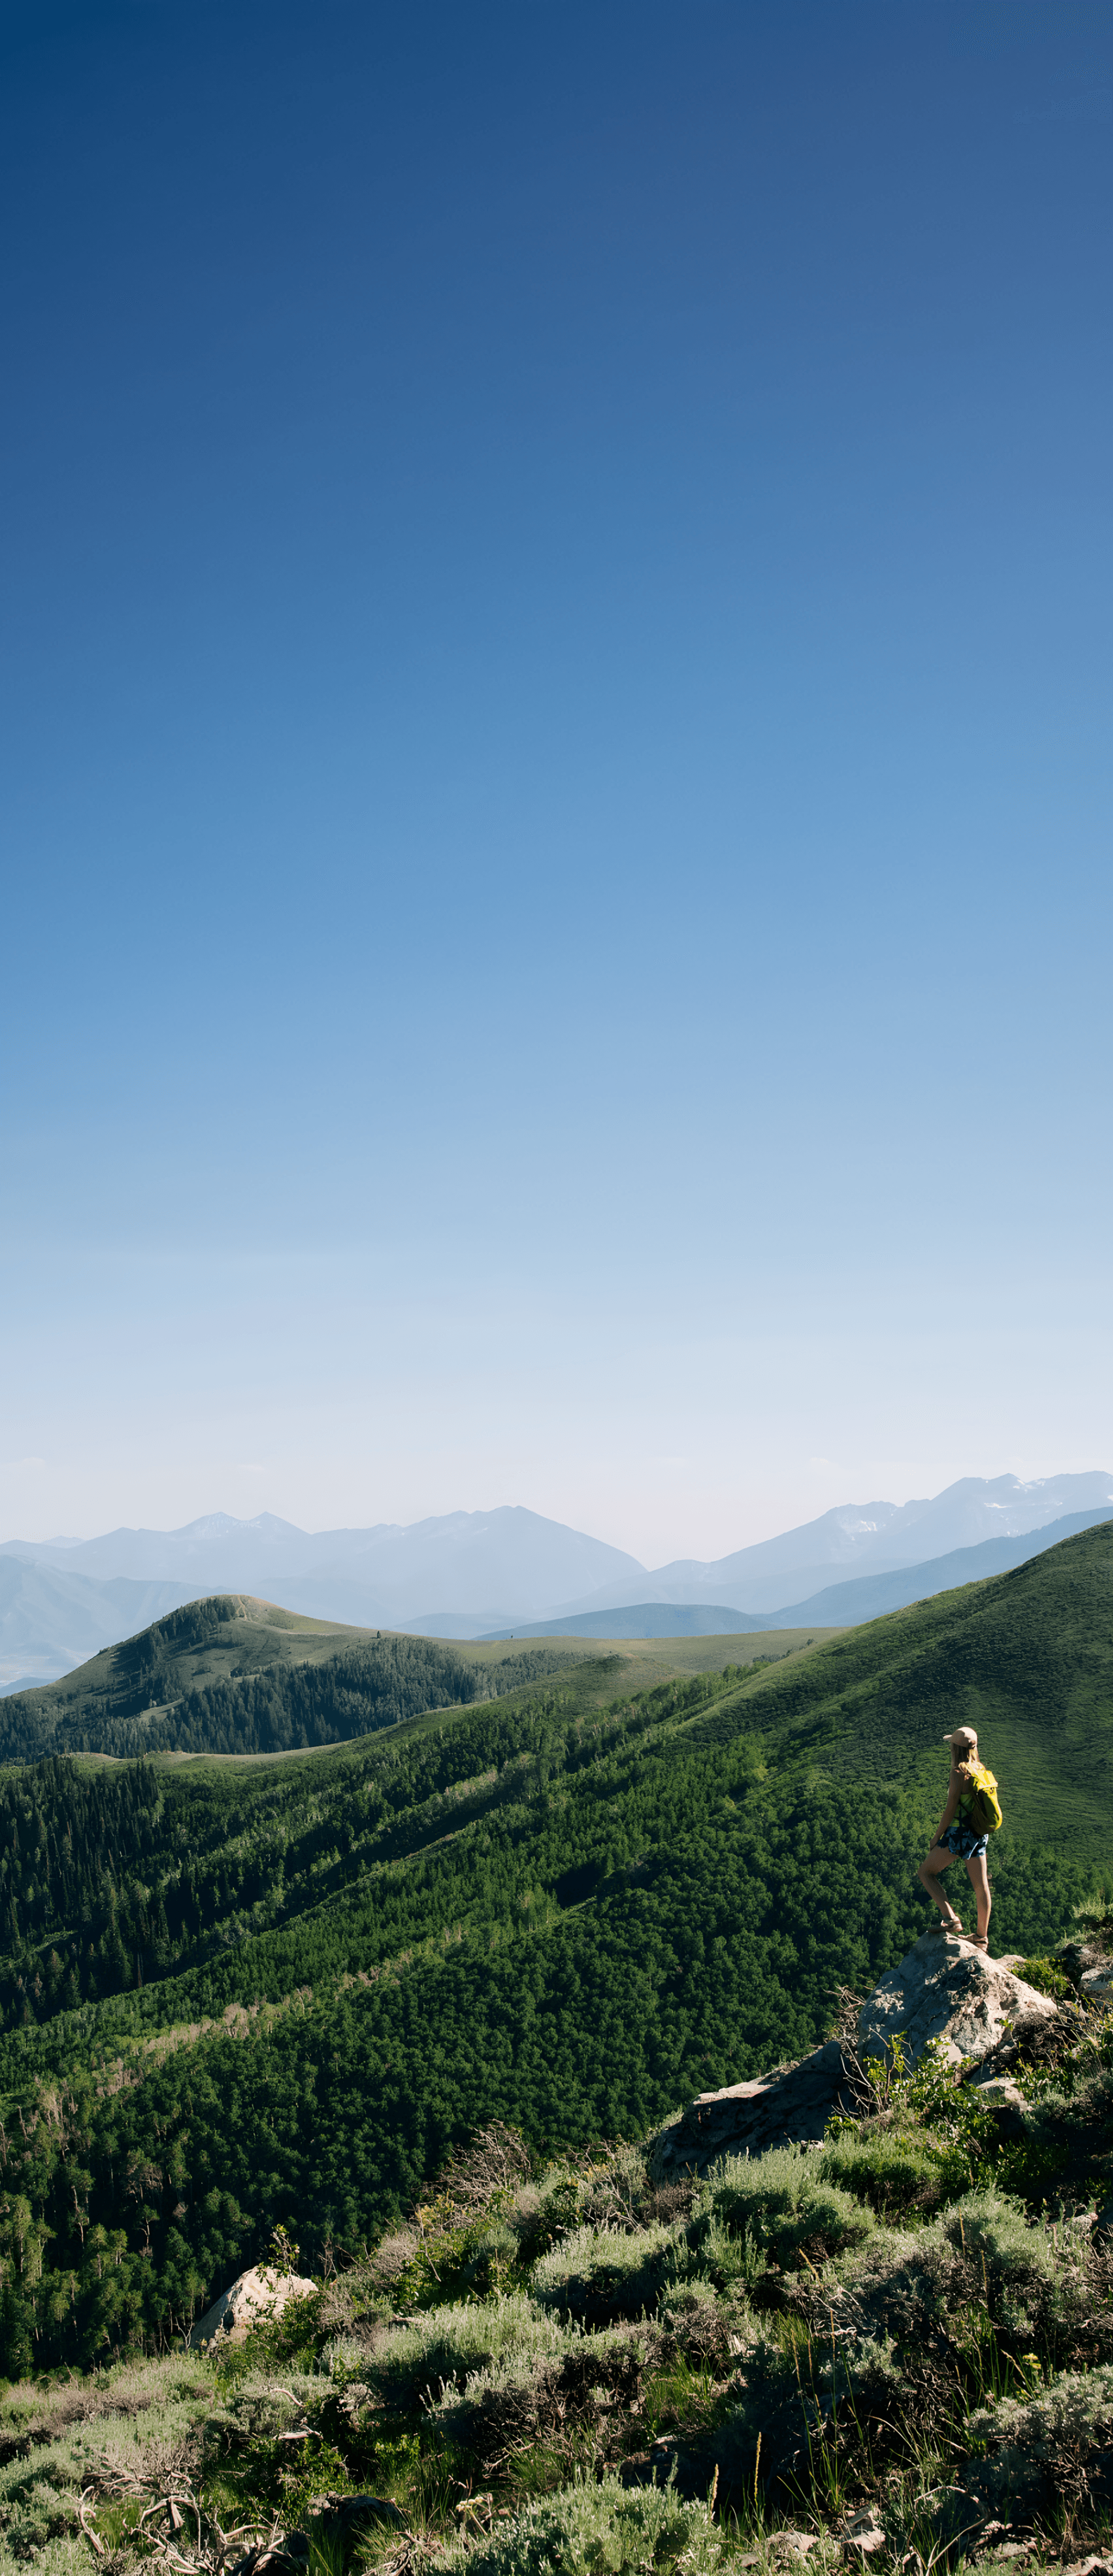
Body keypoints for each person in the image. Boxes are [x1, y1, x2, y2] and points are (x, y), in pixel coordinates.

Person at [917, 1725, 991, 1950]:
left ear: (955, 1748)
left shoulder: (959, 1773)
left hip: (959, 1834)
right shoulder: (981, 1769)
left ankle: (951, 1919)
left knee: (926, 1873)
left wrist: (936, 1837)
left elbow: (950, 1810)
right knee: (981, 1887)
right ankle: (981, 1938)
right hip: (979, 1834)